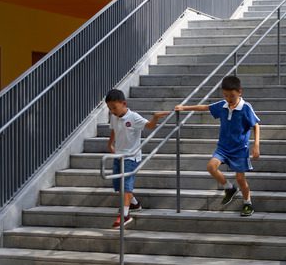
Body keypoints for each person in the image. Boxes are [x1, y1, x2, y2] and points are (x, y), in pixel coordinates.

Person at [175, 74, 260, 217]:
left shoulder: (245, 108)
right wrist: (184, 108)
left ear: (240, 92)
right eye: (226, 95)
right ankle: (229, 188)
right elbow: (205, 107)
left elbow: (256, 125)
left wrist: (256, 145)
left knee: (241, 179)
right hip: (223, 148)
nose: (229, 99)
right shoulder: (222, 105)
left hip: (240, 149)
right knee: (211, 167)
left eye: (232, 96)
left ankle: (247, 203)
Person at [105, 88, 171, 229]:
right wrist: (110, 144)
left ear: (124, 103)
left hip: (131, 157)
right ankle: (134, 204)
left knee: (126, 186)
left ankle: (125, 215)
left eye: (114, 107)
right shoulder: (114, 117)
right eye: (110, 108)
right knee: (118, 185)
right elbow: (114, 130)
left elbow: (149, 126)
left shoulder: (134, 117)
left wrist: (155, 117)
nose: (112, 111)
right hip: (118, 155)